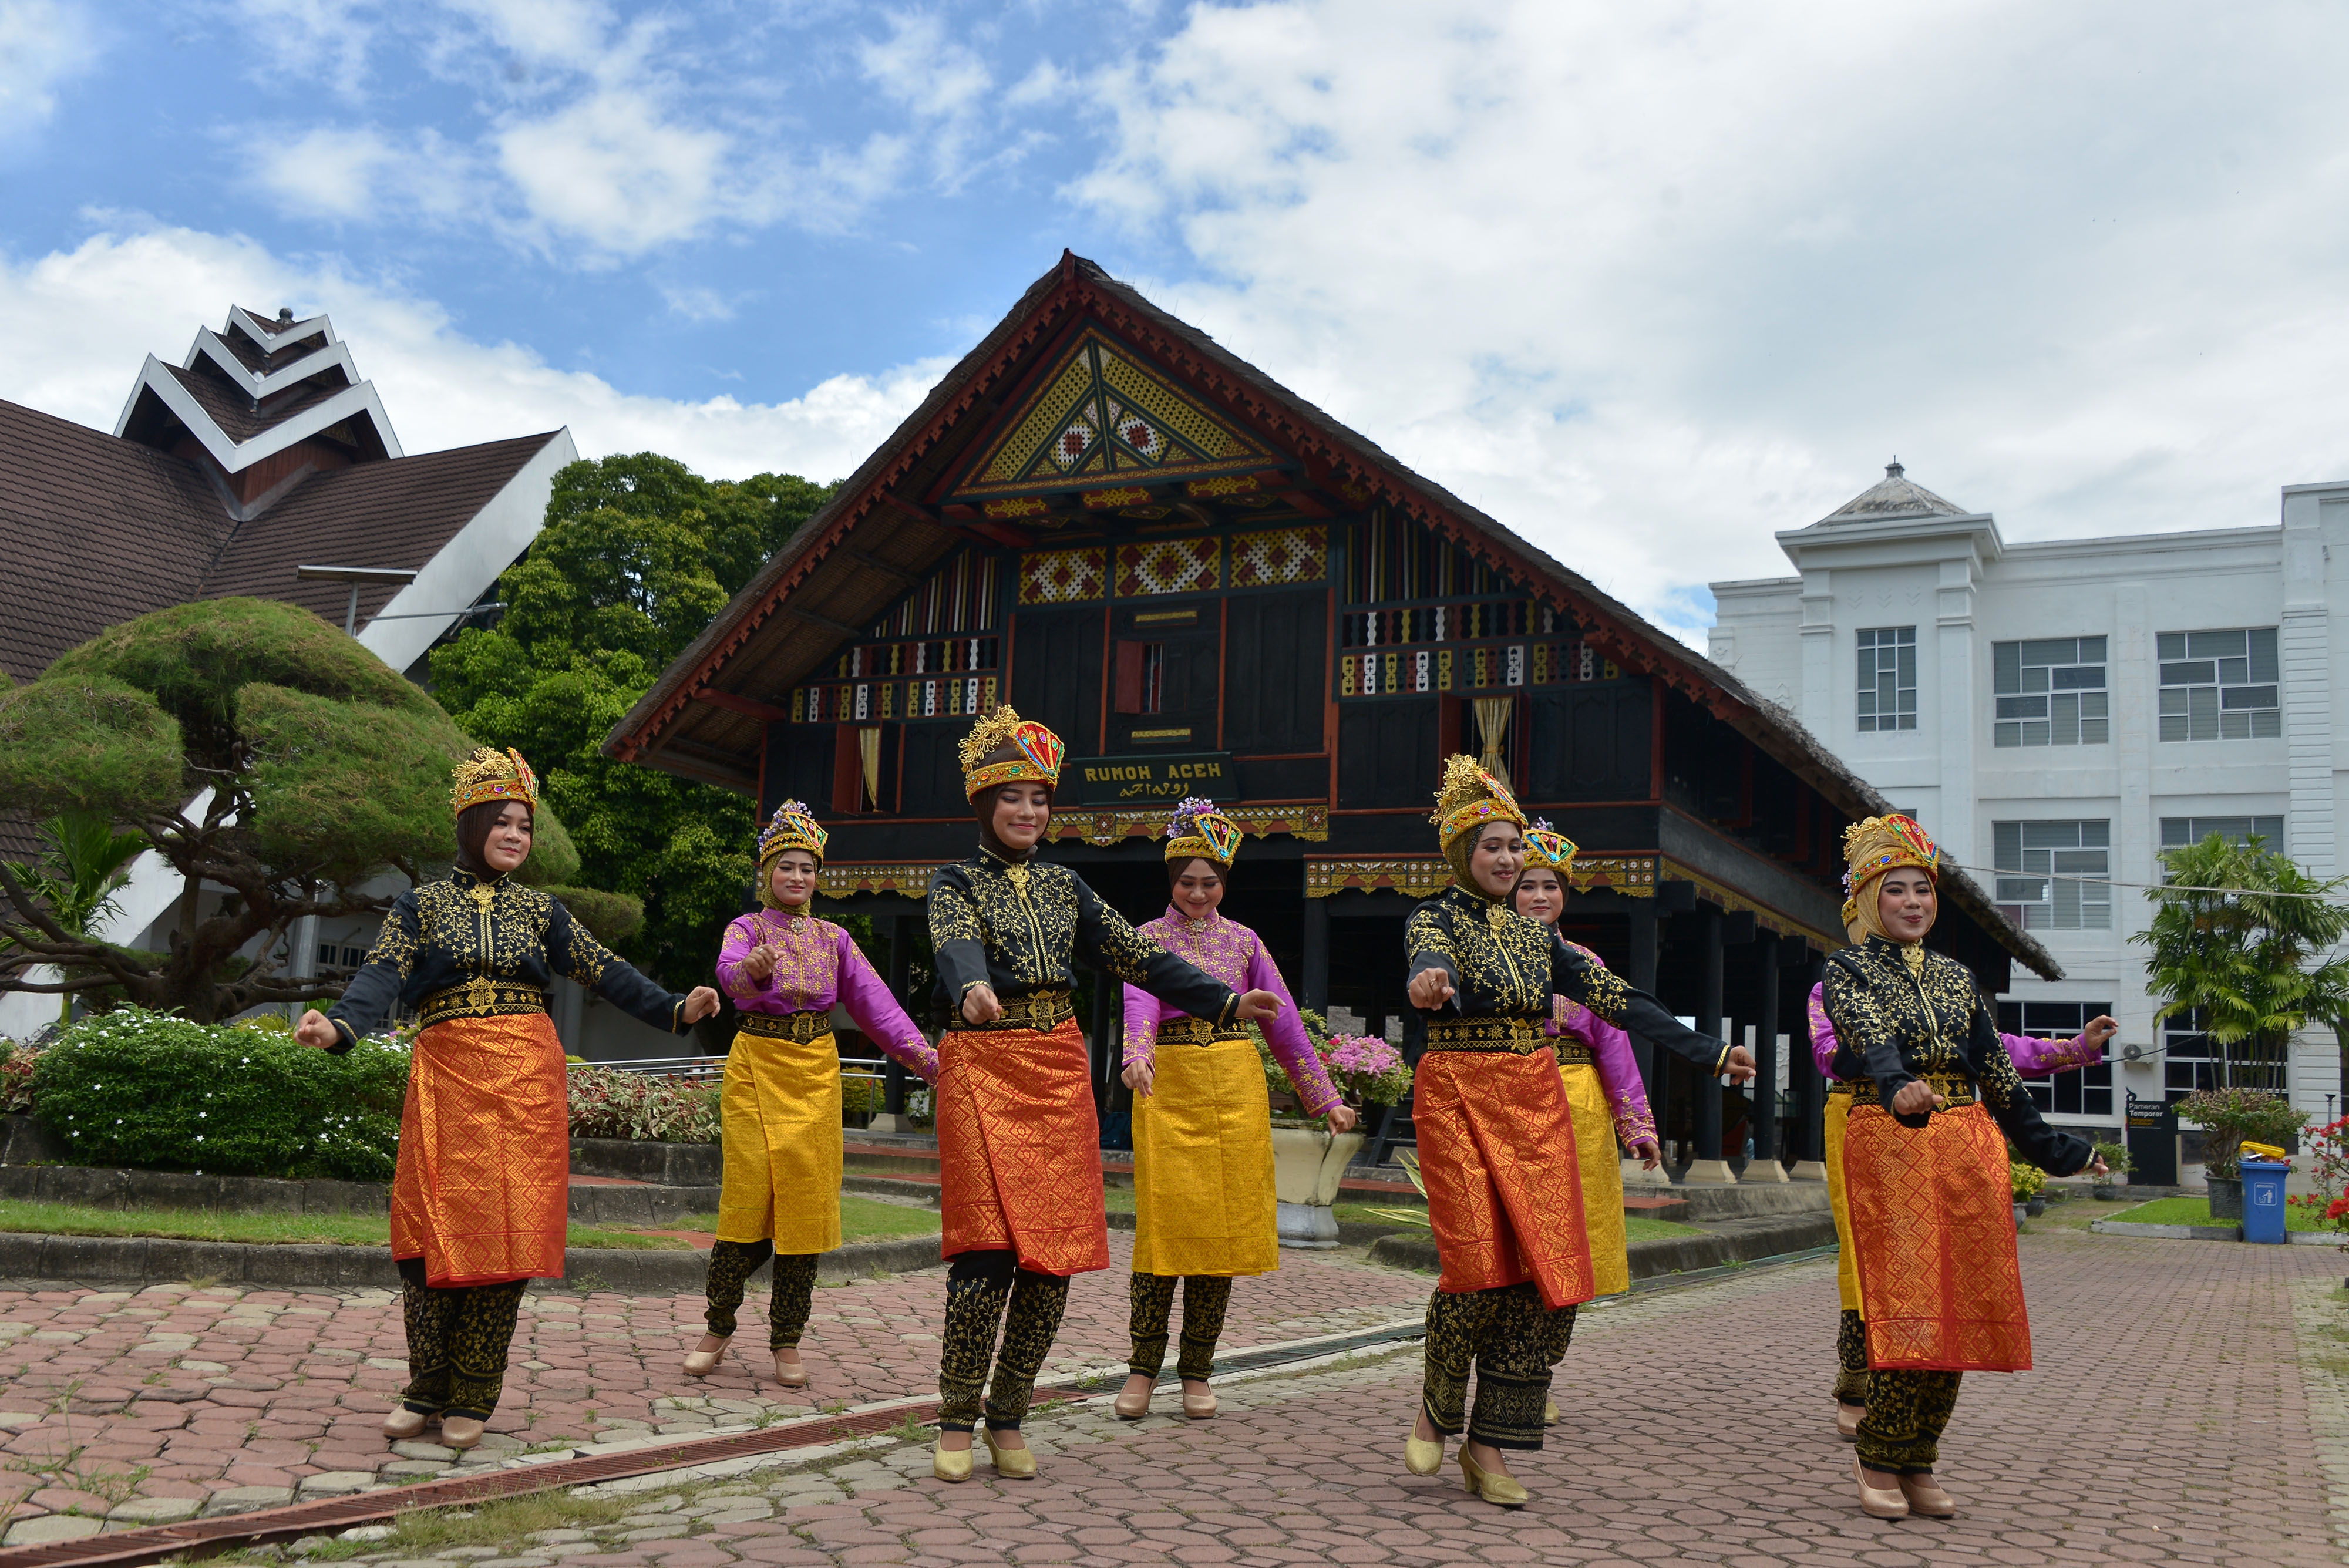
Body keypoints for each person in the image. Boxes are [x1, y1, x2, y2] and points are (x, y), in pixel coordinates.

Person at [296, 748, 720, 1449]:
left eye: (525, 825)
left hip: (525, 1084)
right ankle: (426, 1385)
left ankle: (473, 1391)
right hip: (447, 1080)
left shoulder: (541, 909)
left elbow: (602, 969)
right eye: (503, 822)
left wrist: (676, 1007)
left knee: (509, 1231)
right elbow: (380, 973)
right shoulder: (420, 904)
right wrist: (339, 1026)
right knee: (429, 1234)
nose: (517, 836)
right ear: (472, 826)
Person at [924, 706, 1287, 1484]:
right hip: (983, 1063)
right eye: (1014, 797)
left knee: (1050, 1261)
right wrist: (975, 984)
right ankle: (958, 1412)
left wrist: (1225, 1001)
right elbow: (953, 941)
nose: (1029, 811)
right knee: (986, 1253)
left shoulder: (1066, 885)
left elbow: (1142, 957)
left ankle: (1009, 1414)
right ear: (984, 803)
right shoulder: (952, 880)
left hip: (1056, 1069)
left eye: (1040, 798)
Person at [1401, 758, 1748, 1507]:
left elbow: (1619, 1002)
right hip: (1457, 1095)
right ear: (1464, 853)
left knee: (1542, 1278)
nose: (1505, 859)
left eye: (1513, 847)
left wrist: (1709, 1050)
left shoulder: (1542, 943)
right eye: (1491, 846)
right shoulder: (1433, 917)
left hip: (1536, 1105)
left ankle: (1490, 1447)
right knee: (1475, 1267)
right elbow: (1425, 962)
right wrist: (1427, 983)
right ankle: (1437, 1407)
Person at [1823, 814, 2106, 1520]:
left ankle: (1919, 1456)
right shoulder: (1847, 968)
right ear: (1867, 901)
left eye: (1923, 890)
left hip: (1963, 1146)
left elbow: (1996, 1072)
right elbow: (1869, 1037)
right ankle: (1878, 1454)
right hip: (1888, 1141)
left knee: (1961, 1306)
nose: (1913, 903)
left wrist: (2055, 1149)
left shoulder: (1956, 978)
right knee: (1907, 1304)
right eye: (1896, 892)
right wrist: (1895, 1087)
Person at [1114, 799, 1359, 1424]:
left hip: (1234, 1088)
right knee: (1162, 1234)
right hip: (1166, 1088)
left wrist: (1324, 1097)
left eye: (1210, 881)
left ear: (1225, 881)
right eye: (1187, 881)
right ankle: (1143, 1369)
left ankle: (1197, 1369)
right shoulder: (1144, 940)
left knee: (1216, 1239)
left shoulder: (1245, 942)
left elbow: (1283, 1030)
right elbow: (1138, 1003)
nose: (1198, 892)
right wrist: (1136, 1053)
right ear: (1169, 880)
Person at [688, 801, 940, 1387]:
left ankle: (787, 1339)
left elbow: (877, 1007)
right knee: (746, 1198)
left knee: (804, 1208)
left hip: (815, 1074)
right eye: (786, 868)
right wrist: (751, 969)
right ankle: (718, 1326)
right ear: (766, 873)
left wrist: (927, 1061)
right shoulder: (745, 929)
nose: (797, 878)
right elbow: (729, 974)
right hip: (756, 1065)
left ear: (817, 876)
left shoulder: (836, 939)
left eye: (807, 869)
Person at [1509, 821, 1661, 1427]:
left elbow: (1616, 1048)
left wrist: (1637, 1127)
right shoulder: (1481, 957)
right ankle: (1504, 1369)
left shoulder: (1585, 964)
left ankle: (1539, 1373)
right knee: (1516, 1242)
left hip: (1579, 1109)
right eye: (1527, 886)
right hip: (1511, 1102)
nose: (1539, 896)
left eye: (1550, 886)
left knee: (1570, 1244)